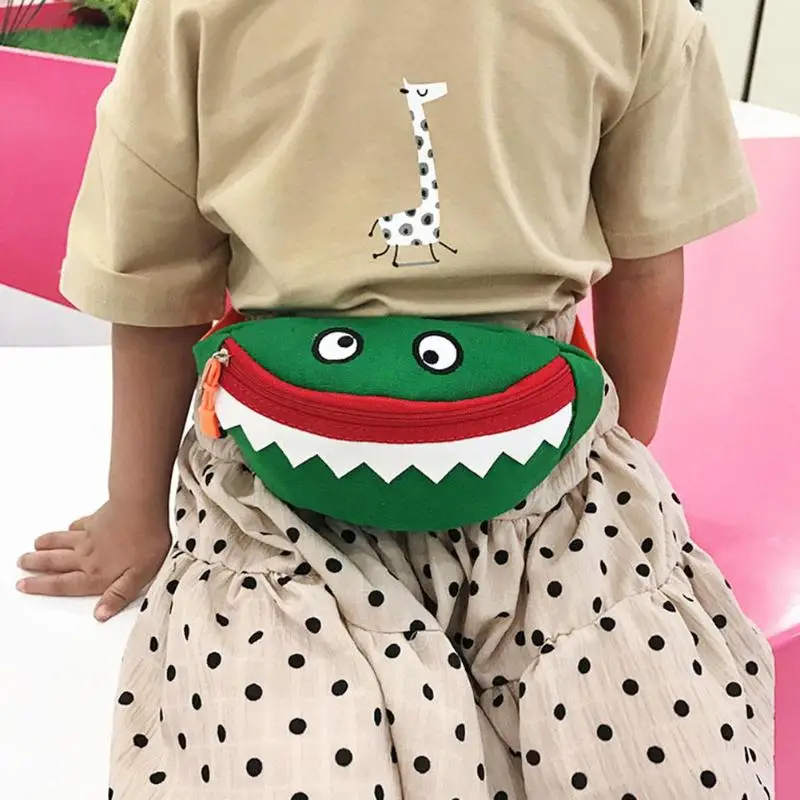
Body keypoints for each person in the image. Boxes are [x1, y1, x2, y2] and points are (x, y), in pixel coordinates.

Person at [16, 0, 774, 796]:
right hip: (291, 485)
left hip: (517, 471)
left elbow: (150, 278)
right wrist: (135, 507)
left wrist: (608, 462)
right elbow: (648, 255)